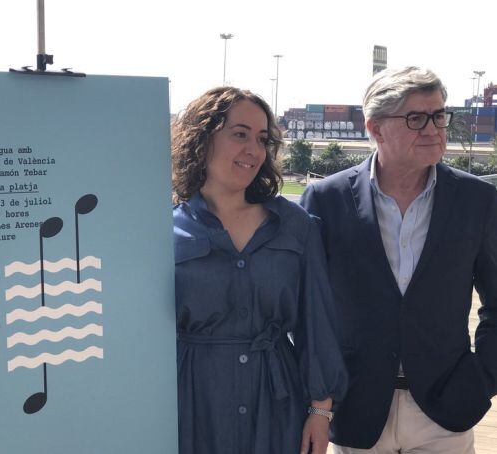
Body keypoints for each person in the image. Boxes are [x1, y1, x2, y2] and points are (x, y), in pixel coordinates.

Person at [301, 66, 497, 453]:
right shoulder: (326, 199)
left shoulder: (478, 200)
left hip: (445, 412)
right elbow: (310, 312)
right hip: (356, 408)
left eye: (439, 115)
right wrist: (320, 403)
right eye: (416, 118)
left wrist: (483, 377)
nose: (434, 128)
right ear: (375, 129)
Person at [172, 87, 347, 454]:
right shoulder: (165, 229)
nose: (254, 150)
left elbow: (317, 325)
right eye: (239, 134)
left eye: (262, 139)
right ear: (202, 140)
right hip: (190, 401)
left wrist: (320, 410)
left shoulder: (296, 226)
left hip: (276, 402)